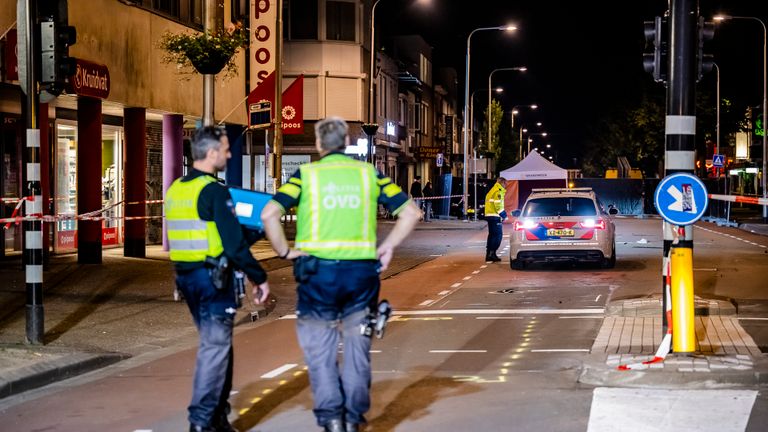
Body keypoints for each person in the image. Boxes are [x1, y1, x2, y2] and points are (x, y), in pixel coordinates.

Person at [261, 116, 420, 432]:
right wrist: (387, 247)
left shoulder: (306, 175)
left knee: (320, 348)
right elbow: (411, 212)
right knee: (357, 345)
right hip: (361, 275)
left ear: (320, 144)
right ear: (346, 144)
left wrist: (285, 251)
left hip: (317, 275)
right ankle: (354, 417)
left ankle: (332, 417)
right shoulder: (368, 174)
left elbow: (269, 213)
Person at [165, 126, 270, 432]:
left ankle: (217, 418)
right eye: (225, 149)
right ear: (211, 153)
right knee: (215, 349)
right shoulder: (214, 191)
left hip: (187, 279)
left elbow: (206, 236)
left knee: (219, 347)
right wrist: (259, 277)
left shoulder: (176, 189)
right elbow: (234, 245)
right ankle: (201, 422)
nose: (229, 153)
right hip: (214, 281)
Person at [484, 176, 507, 262]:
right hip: (495, 216)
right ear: (502, 183)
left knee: (491, 235)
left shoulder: (492, 190)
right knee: (498, 236)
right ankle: (492, 253)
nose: (506, 186)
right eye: (505, 184)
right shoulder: (498, 191)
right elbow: (498, 206)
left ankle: (489, 254)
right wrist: (504, 215)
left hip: (490, 215)